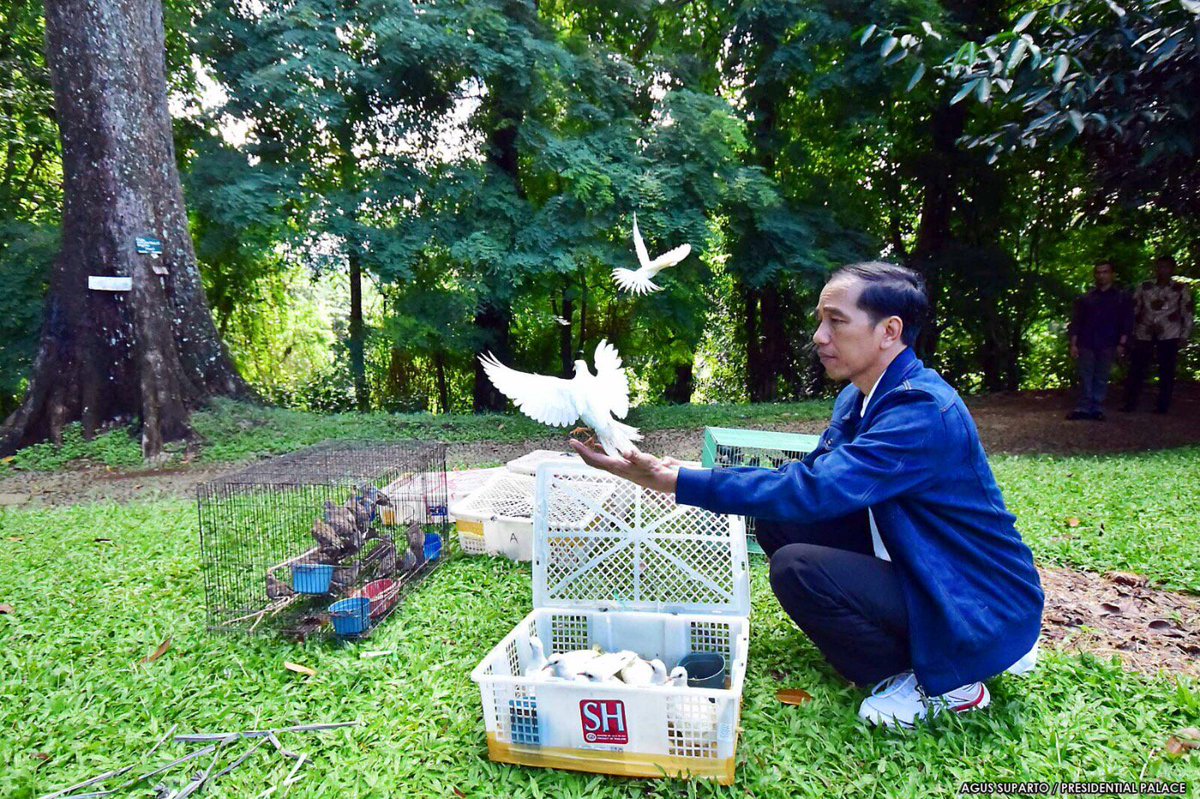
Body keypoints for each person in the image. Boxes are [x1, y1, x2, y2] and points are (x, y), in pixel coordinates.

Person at [570, 261, 1044, 730]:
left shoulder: (920, 410)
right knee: (778, 521)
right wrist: (686, 471)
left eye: (836, 321)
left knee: (797, 567)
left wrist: (678, 483)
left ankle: (950, 679)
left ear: (889, 331)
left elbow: (814, 491)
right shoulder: (860, 396)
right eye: (821, 319)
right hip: (918, 559)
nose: (820, 335)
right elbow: (811, 475)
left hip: (974, 591)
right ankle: (951, 646)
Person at [1122, 256, 1194, 415]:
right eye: (1160, 267)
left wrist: (1184, 335)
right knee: (1137, 368)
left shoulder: (1181, 288)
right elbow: (1134, 309)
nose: (1162, 271)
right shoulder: (1144, 286)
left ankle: (1163, 405)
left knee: (1166, 369)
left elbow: (1187, 312)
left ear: (1172, 269)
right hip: (1144, 331)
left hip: (1169, 333)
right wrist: (1130, 331)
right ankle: (1131, 402)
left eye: (1166, 267)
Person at [1065, 261, 1133, 421]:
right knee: (1085, 375)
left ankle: (1096, 407)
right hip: (1086, 342)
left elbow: (1126, 322)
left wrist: (1122, 343)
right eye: (1099, 272)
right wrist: (1073, 343)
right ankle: (1083, 407)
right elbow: (1077, 322)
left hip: (1108, 342)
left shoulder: (1121, 298)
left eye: (1105, 272)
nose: (1102, 276)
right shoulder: (1087, 298)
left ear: (1112, 274)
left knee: (1102, 375)